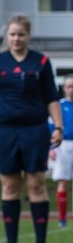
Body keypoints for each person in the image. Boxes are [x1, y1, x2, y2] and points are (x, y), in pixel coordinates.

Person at [0, 15, 62, 243]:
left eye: (21, 34)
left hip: (35, 130)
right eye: (12, 34)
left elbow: (51, 97)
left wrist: (58, 127)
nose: (16, 39)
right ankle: (11, 242)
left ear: (28, 36)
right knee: (9, 185)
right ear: (6, 36)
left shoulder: (40, 62)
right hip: (5, 131)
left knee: (36, 183)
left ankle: (41, 242)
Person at [50, 76, 73, 229]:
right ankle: (62, 218)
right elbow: (52, 128)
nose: (72, 89)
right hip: (63, 145)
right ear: (64, 88)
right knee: (63, 182)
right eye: (69, 86)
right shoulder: (58, 106)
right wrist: (51, 147)